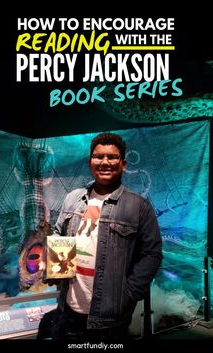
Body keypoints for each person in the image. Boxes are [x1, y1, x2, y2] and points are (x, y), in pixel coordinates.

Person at [37, 132, 162, 340]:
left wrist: (129, 293)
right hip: (68, 309)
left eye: (112, 157)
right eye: (98, 156)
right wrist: (52, 267)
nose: (105, 162)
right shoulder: (72, 198)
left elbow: (152, 254)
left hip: (110, 319)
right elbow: (59, 233)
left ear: (123, 164)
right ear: (90, 162)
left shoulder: (139, 206)